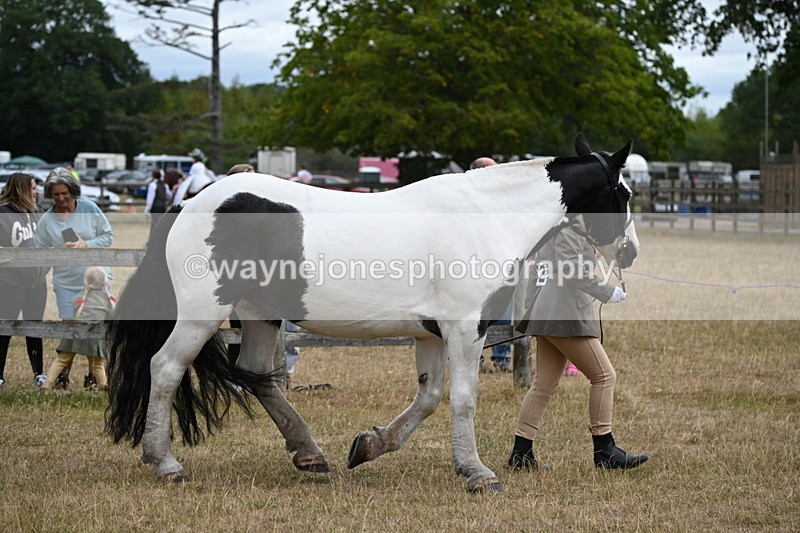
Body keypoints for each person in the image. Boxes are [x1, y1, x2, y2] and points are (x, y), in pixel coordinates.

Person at [508, 216, 648, 470]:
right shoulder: (568, 227)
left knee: (543, 386)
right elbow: (571, 270)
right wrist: (607, 292)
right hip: (564, 310)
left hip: (550, 309)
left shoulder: (565, 223)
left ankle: (521, 453)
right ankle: (605, 450)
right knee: (604, 376)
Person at [35, 168, 114, 389]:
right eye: (55, 195)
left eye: (64, 194)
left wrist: (85, 244)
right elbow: (40, 250)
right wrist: (59, 251)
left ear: (73, 191)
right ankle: (62, 377)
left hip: (97, 282)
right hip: (66, 284)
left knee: (93, 331)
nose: (60, 199)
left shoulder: (90, 209)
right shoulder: (47, 220)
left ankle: (94, 377)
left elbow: (108, 237)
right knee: (69, 331)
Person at [0, 173, 48, 390]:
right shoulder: (2, 213)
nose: (36, 191)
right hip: (10, 282)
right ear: (21, 189)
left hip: (37, 283)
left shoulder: (39, 214)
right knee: (4, 328)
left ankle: (39, 373)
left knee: (35, 328)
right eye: (33, 187)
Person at [469, 156, 513, 373]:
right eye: (493, 170)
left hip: (501, 267)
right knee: (470, 317)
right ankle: (473, 360)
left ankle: (502, 359)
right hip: (471, 268)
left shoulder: (504, 201)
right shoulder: (467, 201)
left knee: (503, 315)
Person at [42, 267, 116, 391]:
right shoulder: (108, 301)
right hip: (94, 339)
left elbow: (75, 310)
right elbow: (109, 319)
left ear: (86, 281)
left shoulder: (81, 297)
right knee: (98, 365)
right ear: (105, 281)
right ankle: (103, 386)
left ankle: (47, 385)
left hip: (75, 335)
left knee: (61, 360)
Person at [144, 169, 171, 235]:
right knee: (161, 223)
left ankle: (153, 240)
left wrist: (147, 208)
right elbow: (169, 195)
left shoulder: (153, 185)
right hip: (163, 207)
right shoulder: (165, 185)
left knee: (155, 224)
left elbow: (150, 198)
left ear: (153, 176)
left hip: (155, 207)